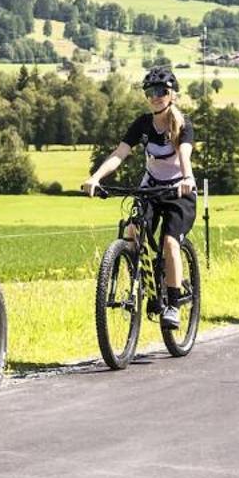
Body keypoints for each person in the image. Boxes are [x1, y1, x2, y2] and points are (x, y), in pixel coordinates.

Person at [80, 64, 197, 326]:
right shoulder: (142, 125)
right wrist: (96, 178)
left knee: (169, 243)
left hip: (179, 190)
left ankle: (174, 304)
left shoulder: (182, 125)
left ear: (172, 94)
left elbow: (184, 156)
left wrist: (188, 179)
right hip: (151, 187)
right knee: (132, 230)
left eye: (160, 90)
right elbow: (119, 154)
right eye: (150, 91)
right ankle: (144, 282)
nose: (155, 96)